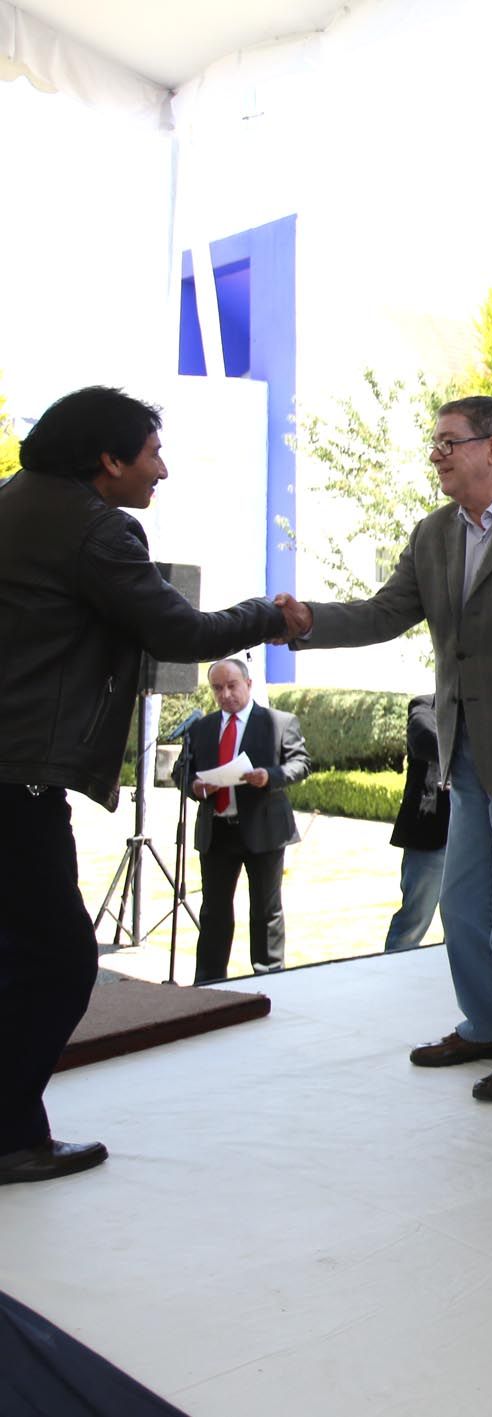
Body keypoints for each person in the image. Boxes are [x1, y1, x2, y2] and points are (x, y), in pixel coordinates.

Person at [276, 396, 492, 1103]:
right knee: (462, 902)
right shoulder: (433, 533)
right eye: (435, 444)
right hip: (464, 748)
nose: (436, 455)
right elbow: (383, 613)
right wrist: (308, 623)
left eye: (448, 442)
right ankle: (485, 1026)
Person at [0, 385, 286, 1185]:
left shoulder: (15, 501)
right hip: (17, 776)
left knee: (18, 953)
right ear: (109, 459)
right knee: (59, 960)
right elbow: (178, 631)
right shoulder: (95, 528)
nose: (162, 470)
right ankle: (10, 1136)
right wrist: (271, 616)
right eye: (153, 453)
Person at [178, 657, 311, 983]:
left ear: (248, 684)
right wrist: (194, 786)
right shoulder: (201, 728)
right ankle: (209, 982)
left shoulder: (278, 722)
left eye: (231, 686)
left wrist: (269, 776)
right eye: (217, 688)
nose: (225, 694)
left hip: (263, 829)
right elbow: (182, 770)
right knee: (213, 912)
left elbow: (301, 764)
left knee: (265, 911)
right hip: (217, 831)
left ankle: (269, 979)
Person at [382, 694, 448, 954]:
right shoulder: (424, 705)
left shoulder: (483, 708)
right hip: (430, 832)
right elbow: (423, 739)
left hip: (473, 834)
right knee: (413, 920)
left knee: (466, 921)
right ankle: (393, 968)